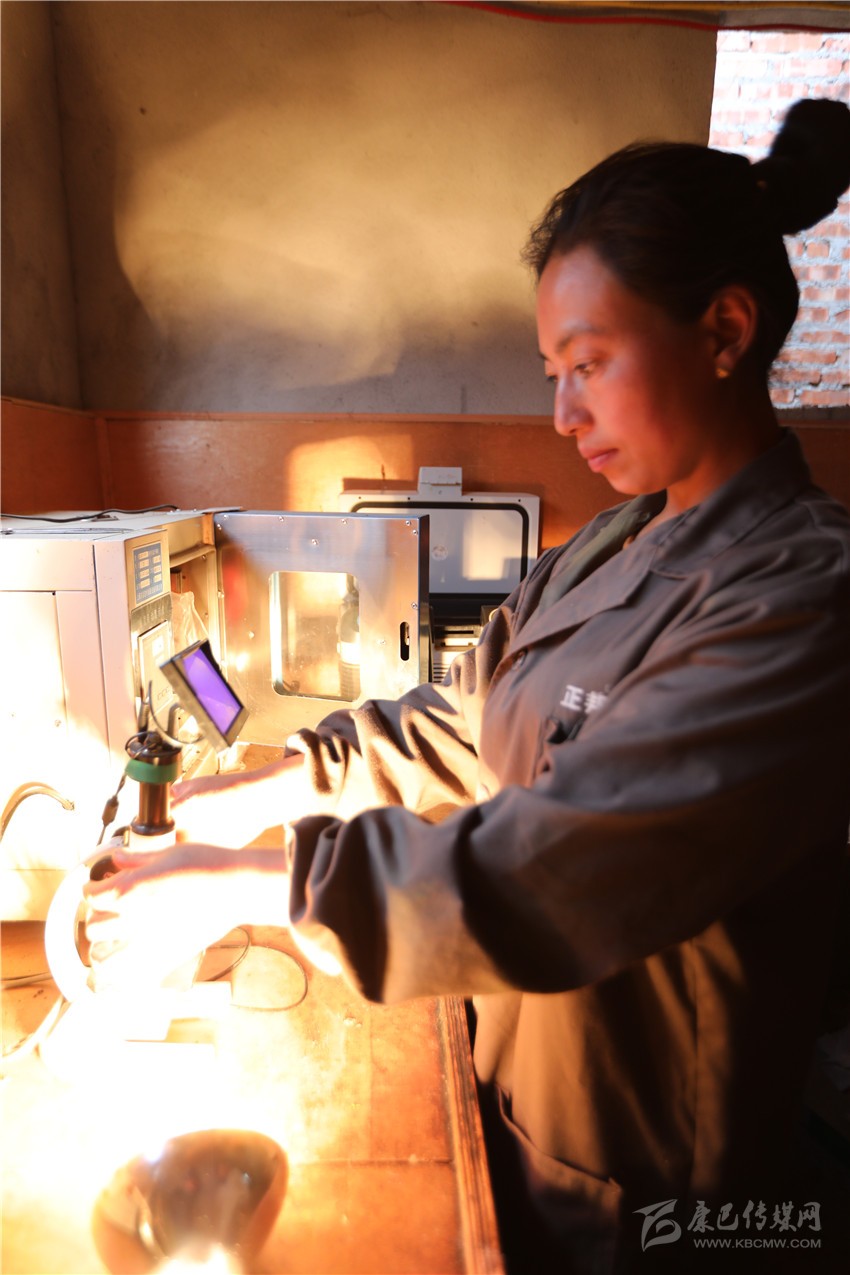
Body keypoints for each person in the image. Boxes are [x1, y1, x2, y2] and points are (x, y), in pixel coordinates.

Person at [85, 98, 850, 1273]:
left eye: (588, 365)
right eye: (553, 372)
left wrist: (257, 884)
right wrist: (260, 790)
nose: (561, 414)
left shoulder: (800, 593)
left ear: (724, 329)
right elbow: (461, 719)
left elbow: (568, 864)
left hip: (661, 1198)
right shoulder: (615, 542)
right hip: (527, 1107)